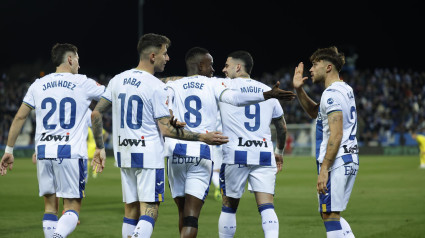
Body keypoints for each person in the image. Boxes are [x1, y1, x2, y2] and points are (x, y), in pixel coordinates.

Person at [90, 34, 230, 238]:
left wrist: (100, 147)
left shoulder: (117, 80)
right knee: (150, 211)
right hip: (148, 155)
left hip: (124, 153)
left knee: (131, 211)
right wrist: (202, 137)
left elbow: (95, 113)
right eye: (165, 53)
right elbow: (166, 130)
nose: (168, 58)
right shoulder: (157, 86)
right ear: (153, 56)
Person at [0, 43, 105, 238]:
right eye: (78, 61)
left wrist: (9, 150)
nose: (79, 66)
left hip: (43, 152)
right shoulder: (82, 82)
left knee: (50, 207)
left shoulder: (38, 84)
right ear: (70, 59)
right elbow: (112, 96)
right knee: (72, 209)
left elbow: (20, 117)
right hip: (70, 152)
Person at [216, 50, 289, 238]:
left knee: (229, 207)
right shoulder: (268, 90)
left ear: (238, 67)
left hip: (235, 154)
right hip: (264, 154)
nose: (224, 69)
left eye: (227, 65)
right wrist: (279, 151)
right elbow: (281, 127)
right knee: (266, 206)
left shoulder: (224, 86)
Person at [292, 46, 358, 238]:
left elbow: (336, 134)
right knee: (329, 212)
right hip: (348, 156)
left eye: (314, 64)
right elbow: (315, 113)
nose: (310, 69)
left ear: (328, 67)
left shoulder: (331, 94)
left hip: (336, 161)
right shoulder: (345, 89)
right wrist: (299, 90)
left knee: (330, 215)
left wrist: (324, 170)